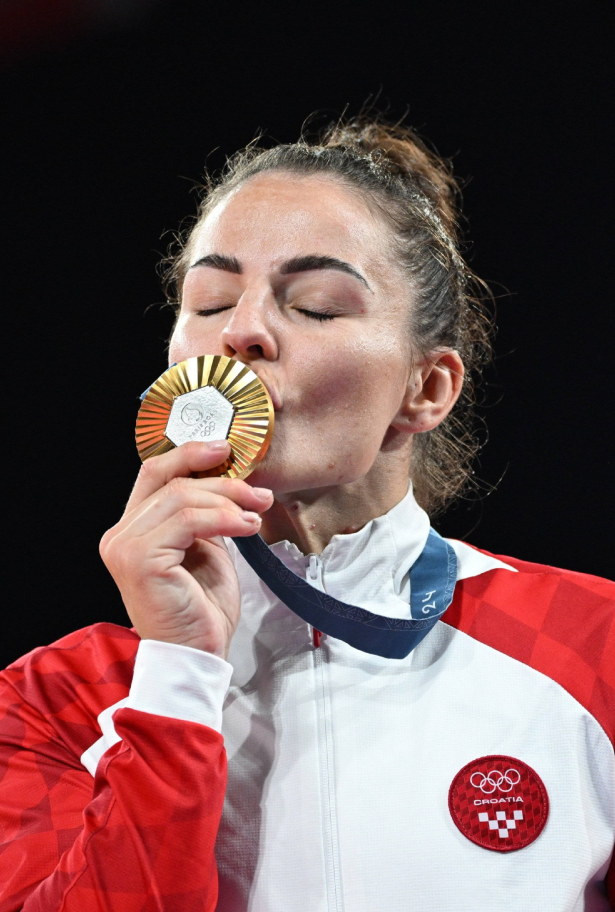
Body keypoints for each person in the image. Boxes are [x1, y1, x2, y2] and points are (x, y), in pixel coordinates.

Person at [0, 118, 613, 912]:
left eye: (317, 306)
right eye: (210, 300)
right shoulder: (57, 698)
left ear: (425, 388)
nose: (241, 332)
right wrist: (178, 676)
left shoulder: (591, 644)